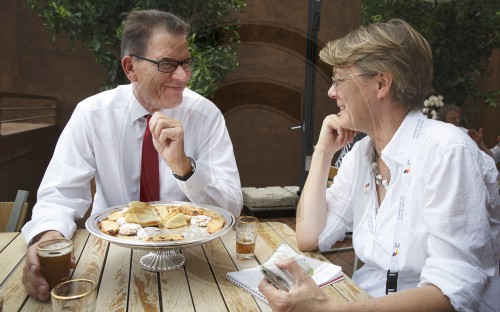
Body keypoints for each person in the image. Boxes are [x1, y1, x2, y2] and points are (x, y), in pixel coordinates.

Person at [259, 19, 499, 311]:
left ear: (381, 84)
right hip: (363, 299)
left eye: (339, 80)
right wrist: (323, 152)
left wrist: (333, 310)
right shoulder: (363, 154)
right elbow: (310, 236)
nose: (331, 93)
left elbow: (452, 293)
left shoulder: (447, 151)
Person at [21, 9, 243, 301]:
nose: (183, 75)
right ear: (130, 68)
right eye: (167, 64)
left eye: (186, 62)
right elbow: (60, 195)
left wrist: (185, 168)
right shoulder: (92, 115)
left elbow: (231, 210)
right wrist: (47, 238)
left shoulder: (205, 116)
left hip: (192, 264)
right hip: (112, 259)